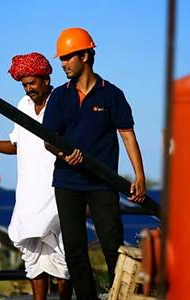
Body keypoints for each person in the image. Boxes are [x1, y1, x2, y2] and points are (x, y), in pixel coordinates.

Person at [42, 28, 147, 300]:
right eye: (61, 59)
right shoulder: (59, 97)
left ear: (85, 56)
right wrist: (63, 155)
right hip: (67, 181)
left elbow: (128, 137)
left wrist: (139, 177)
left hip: (103, 182)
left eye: (67, 57)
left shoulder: (112, 94)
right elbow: (48, 140)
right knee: (75, 250)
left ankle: (118, 296)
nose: (62, 64)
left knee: (113, 246)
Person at [0, 52, 72, 300]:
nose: (29, 89)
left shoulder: (61, 102)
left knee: (63, 257)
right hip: (28, 193)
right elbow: (17, 145)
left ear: (46, 80)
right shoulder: (23, 105)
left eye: (32, 83)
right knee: (33, 255)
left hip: (56, 190)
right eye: (25, 85)